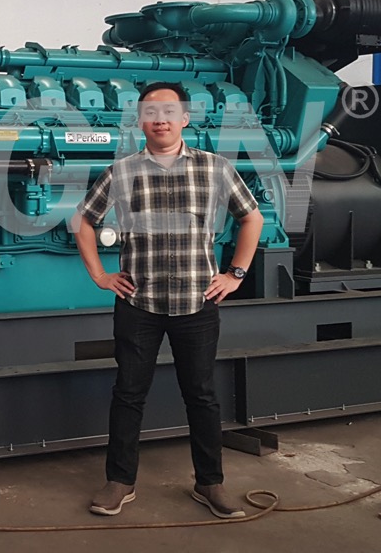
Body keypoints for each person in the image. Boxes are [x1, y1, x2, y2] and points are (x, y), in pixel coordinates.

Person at [73, 82, 264, 518]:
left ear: (185, 118)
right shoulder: (121, 172)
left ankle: (210, 484)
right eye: (151, 112)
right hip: (138, 304)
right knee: (128, 393)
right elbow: (83, 222)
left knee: (202, 395)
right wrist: (100, 275)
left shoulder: (216, 168)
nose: (160, 119)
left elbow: (251, 218)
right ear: (141, 120)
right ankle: (120, 481)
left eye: (169, 111)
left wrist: (236, 274)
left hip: (197, 303)